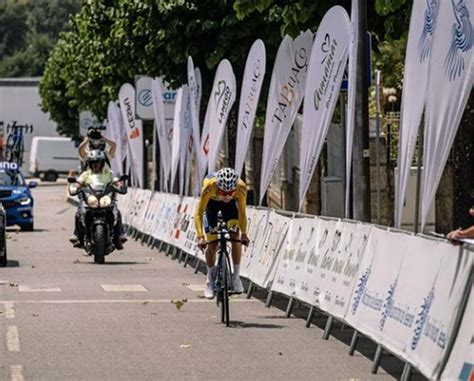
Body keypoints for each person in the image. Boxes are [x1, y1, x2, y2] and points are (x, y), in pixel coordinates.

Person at [194, 167, 250, 299]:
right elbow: (198, 213)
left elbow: (242, 212)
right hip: (211, 206)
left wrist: (244, 234)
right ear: (218, 186)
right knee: (212, 245)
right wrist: (201, 237)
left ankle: (236, 277)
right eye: (223, 192)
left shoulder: (241, 187)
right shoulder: (209, 185)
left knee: (235, 236)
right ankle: (209, 280)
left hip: (230, 208)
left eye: (230, 192)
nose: (227, 196)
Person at [69, 150, 126, 249]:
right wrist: (75, 187)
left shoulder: (108, 173)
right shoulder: (86, 174)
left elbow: (116, 181)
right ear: (89, 163)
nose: (96, 165)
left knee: (117, 213)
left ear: (102, 163)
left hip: (105, 199)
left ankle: (119, 237)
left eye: (98, 162)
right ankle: (78, 236)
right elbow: (78, 183)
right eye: (93, 162)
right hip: (90, 200)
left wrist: (120, 185)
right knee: (78, 214)